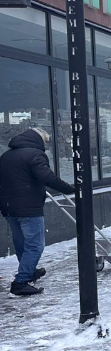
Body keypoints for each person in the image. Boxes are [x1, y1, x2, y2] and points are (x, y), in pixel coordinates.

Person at [0, 127, 75, 297]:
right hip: (29, 207)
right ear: (38, 140)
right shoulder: (35, 154)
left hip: (9, 207)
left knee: (22, 243)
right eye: (45, 141)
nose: (45, 145)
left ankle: (29, 271)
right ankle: (21, 282)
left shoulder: (6, 155)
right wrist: (70, 189)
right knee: (35, 245)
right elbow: (47, 177)